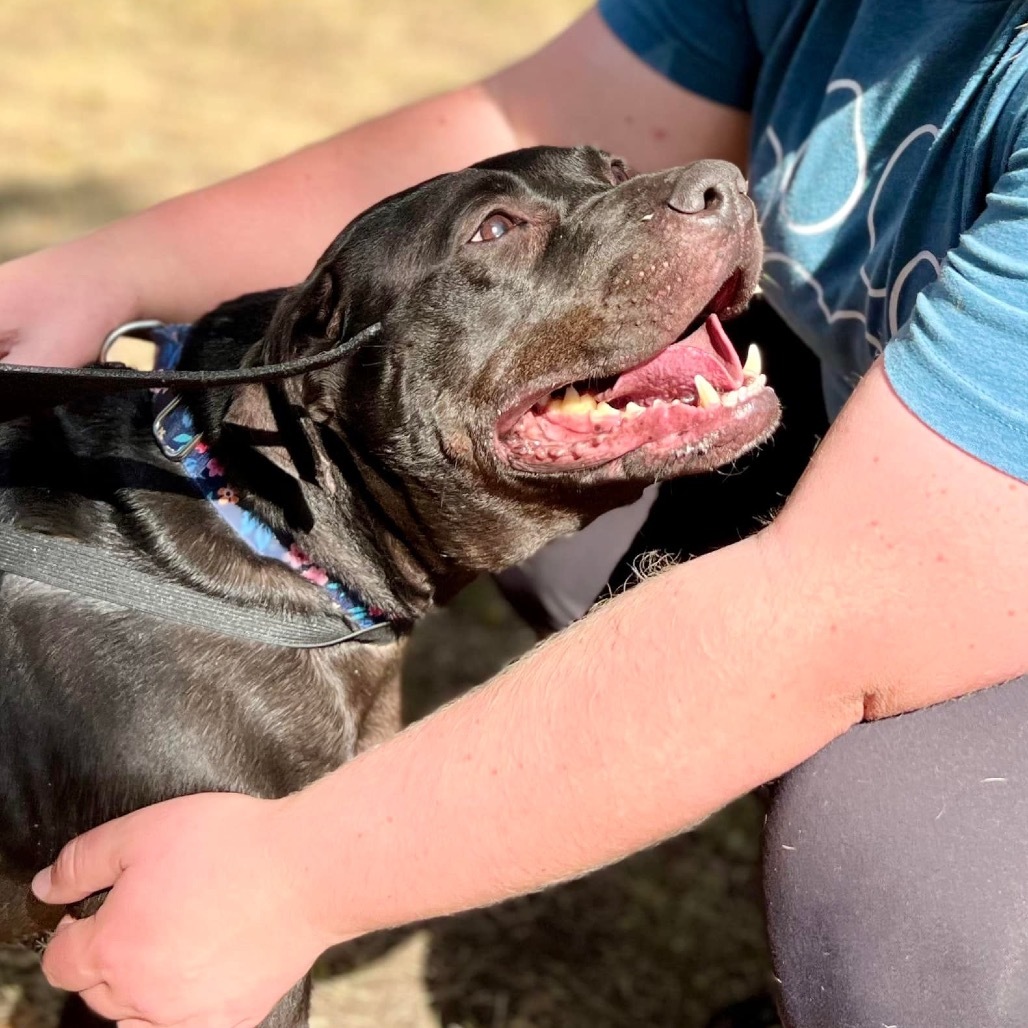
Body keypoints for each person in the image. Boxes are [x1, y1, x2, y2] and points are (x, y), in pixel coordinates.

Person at [4, 1, 1027, 1025]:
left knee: (906, 879)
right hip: (899, 471)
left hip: (955, 548)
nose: (708, 191)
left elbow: (838, 600)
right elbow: (512, 122)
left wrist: (295, 875)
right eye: (504, 231)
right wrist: (107, 271)